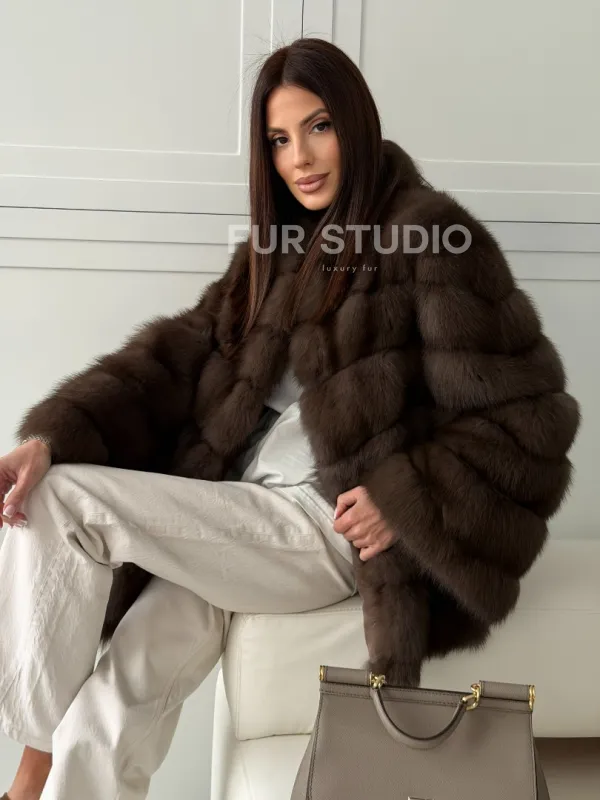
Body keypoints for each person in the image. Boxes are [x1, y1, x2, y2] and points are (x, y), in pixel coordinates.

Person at [0, 38, 580, 800]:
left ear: (356, 124)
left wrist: (406, 497)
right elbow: (176, 359)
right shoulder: (273, 251)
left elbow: (532, 420)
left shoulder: (435, 239)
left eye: (319, 127)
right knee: (113, 708)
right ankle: (54, 762)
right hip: (238, 521)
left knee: (66, 501)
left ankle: (29, 766)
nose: (299, 158)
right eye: (278, 139)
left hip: (324, 526)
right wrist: (50, 436)